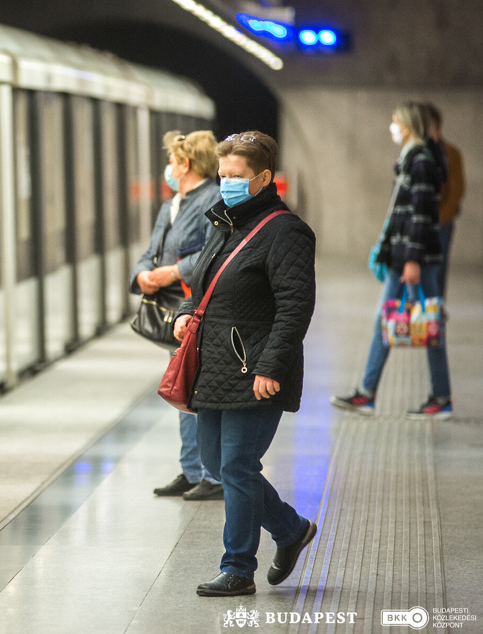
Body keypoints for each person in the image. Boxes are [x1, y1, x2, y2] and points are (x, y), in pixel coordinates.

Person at [172, 130, 318, 597]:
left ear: (263, 178)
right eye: (222, 175)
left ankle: (237, 567)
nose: (227, 183)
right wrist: (182, 314)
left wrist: (271, 366)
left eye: (236, 176)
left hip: (254, 369)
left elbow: (296, 305)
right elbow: (201, 285)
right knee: (217, 460)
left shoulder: (286, 231)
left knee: (236, 463)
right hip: (214, 364)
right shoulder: (224, 223)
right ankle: (291, 529)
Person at [331, 102, 452, 419]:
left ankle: (441, 398)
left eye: (395, 121)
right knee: (386, 323)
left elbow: (421, 217)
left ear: (408, 126)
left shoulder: (421, 161)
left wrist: (412, 259)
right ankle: (367, 394)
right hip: (404, 258)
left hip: (417, 260)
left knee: (429, 323)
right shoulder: (410, 159)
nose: (392, 126)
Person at [130, 130, 223, 501]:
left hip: (199, 310)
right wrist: (142, 274)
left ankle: (211, 475)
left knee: (194, 390)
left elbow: (215, 253)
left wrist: (173, 272)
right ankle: (191, 470)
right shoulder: (171, 205)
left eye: (172, 161)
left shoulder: (212, 201)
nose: (168, 168)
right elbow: (150, 251)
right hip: (175, 314)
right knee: (182, 389)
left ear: (184, 164)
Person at [424, 103, 465, 298]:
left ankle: (434, 319)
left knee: (437, 274)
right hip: (420, 224)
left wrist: (439, 219)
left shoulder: (450, 153)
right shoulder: (419, 151)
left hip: (441, 224)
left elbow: (457, 191)